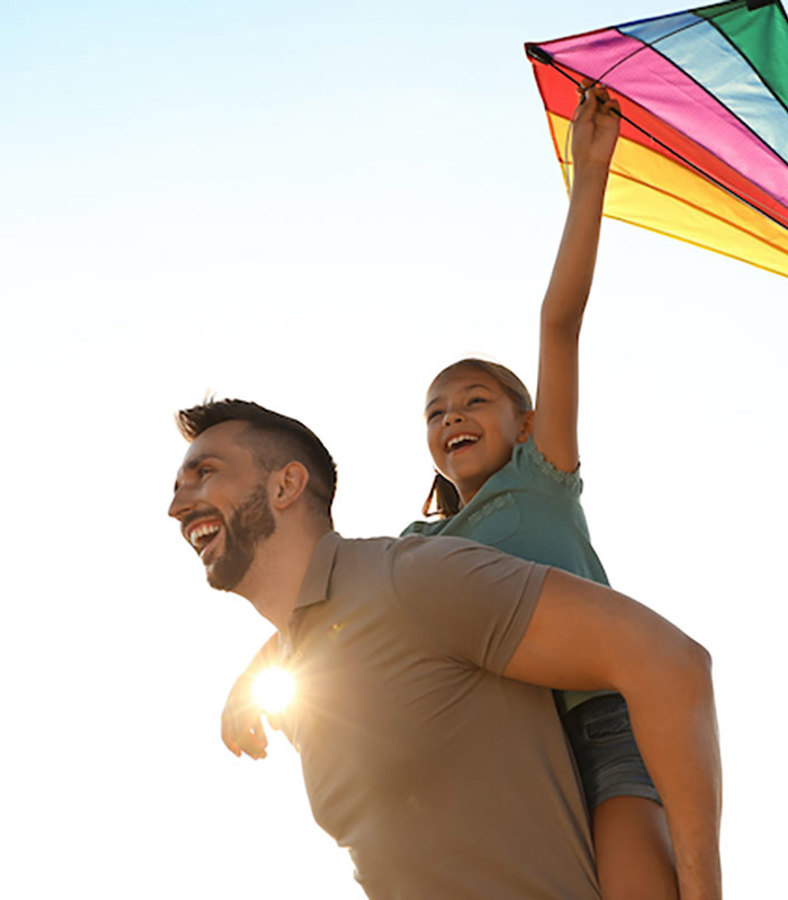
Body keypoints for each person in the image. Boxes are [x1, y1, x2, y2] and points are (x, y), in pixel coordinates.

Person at [219, 85, 678, 896]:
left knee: (639, 877)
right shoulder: (422, 547)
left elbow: (559, 320)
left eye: (475, 401)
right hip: (513, 751)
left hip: (599, 717)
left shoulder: (544, 474)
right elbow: (323, 606)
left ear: (525, 425)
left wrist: (592, 174)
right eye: (436, 410)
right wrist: (248, 688)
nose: (453, 416)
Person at [167, 398, 721, 900]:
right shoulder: (300, 680)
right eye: (177, 485)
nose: (177, 506)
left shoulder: (412, 580)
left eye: (204, 474)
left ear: (286, 486)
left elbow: (672, 664)